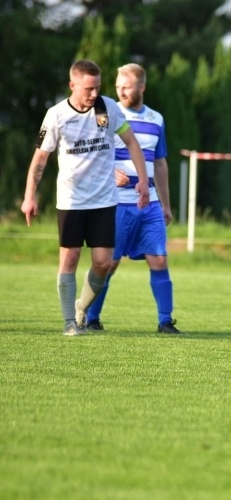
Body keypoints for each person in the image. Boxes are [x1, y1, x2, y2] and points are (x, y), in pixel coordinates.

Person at [20, 59, 149, 336]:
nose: (94, 94)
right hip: (71, 201)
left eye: (98, 88)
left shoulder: (108, 108)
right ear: (73, 85)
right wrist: (29, 196)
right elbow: (40, 159)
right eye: (89, 89)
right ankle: (69, 322)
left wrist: (143, 183)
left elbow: (131, 142)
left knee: (103, 264)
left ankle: (81, 307)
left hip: (104, 200)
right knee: (70, 259)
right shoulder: (56, 115)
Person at [84, 63, 182, 334]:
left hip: (149, 204)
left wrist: (165, 204)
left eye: (126, 86)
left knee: (159, 260)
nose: (121, 91)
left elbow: (160, 163)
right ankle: (91, 317)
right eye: (117, 86)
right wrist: (110, 170)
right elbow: (89, 153)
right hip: (114, 204)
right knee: (108, 264)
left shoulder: (156, 119)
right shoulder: (105, 114)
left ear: (142, 87)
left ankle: (165, 321)